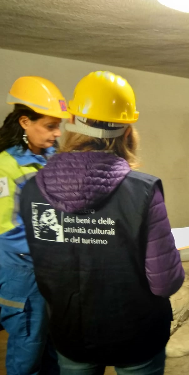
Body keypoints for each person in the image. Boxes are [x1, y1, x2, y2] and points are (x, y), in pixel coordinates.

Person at [19, 71, 185, 375]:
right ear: (127, 131)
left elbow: (48, 269)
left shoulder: (32, 190)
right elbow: (165, 283)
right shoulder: (144, 190)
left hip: (72, 331)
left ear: (72, 122)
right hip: (137, 335)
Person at [0, 76, 70, 374]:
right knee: (28, 347)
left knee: (55, 345)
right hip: (24, 270)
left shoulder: (56, 159)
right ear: (26, 121)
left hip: (55, 267)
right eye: (50, 126)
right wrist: (53, 250)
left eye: (59, 126)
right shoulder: (6, 165)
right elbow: (6, 227)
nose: (56, 134)